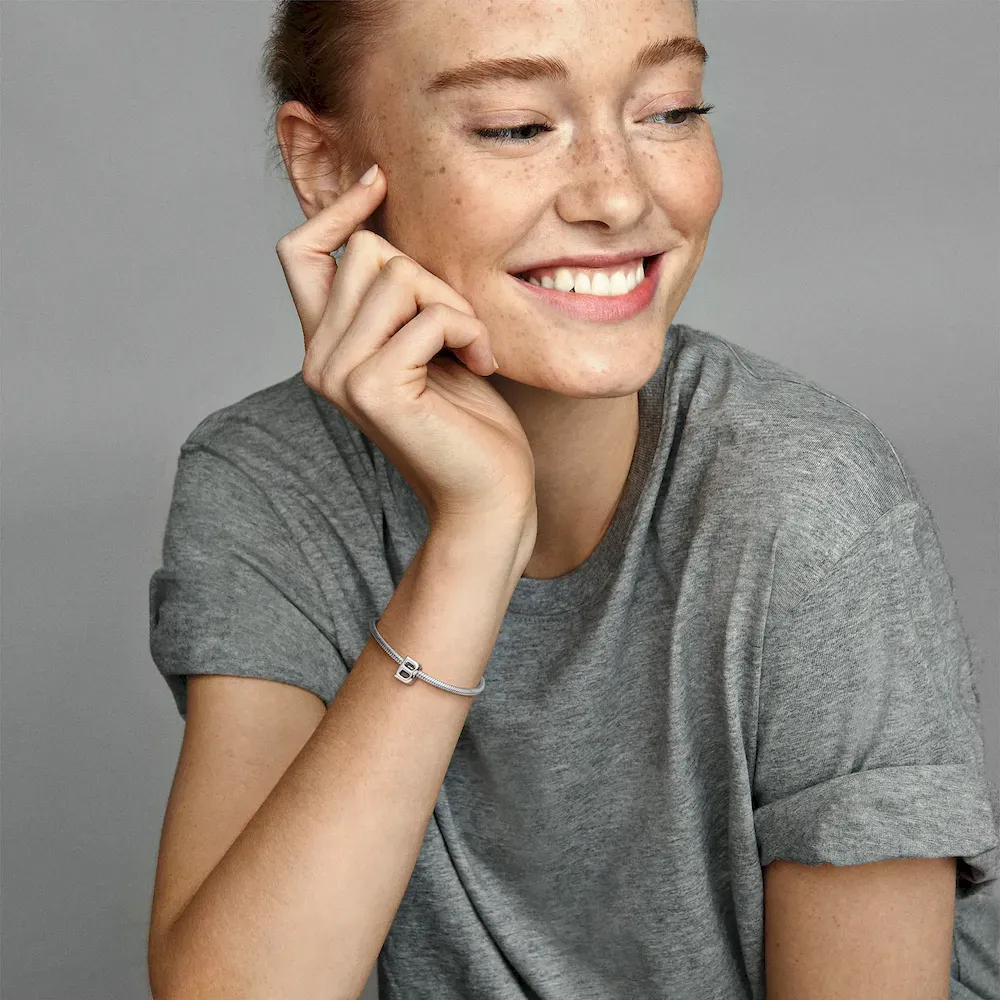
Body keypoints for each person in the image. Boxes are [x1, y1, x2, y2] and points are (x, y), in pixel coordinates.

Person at [145, 1, 999, 998]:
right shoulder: (269, 478)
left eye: (669, 111)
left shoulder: (808, 499)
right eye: (516, 126)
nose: (617, 194)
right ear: (326, 166)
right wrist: (476, 537)